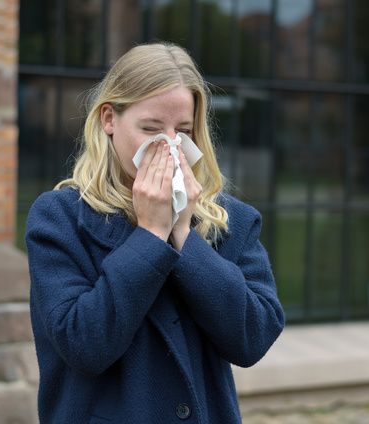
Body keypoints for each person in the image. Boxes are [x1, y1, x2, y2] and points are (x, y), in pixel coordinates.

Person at [25, 42, 285, 423]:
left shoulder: (231, 221)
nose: (168, 145)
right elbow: (84, 345)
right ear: (109, 119)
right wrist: (150, 234)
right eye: (150, 128)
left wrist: (183, 233)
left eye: (182, 131)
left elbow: (253, 339)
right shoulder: (59, 218)